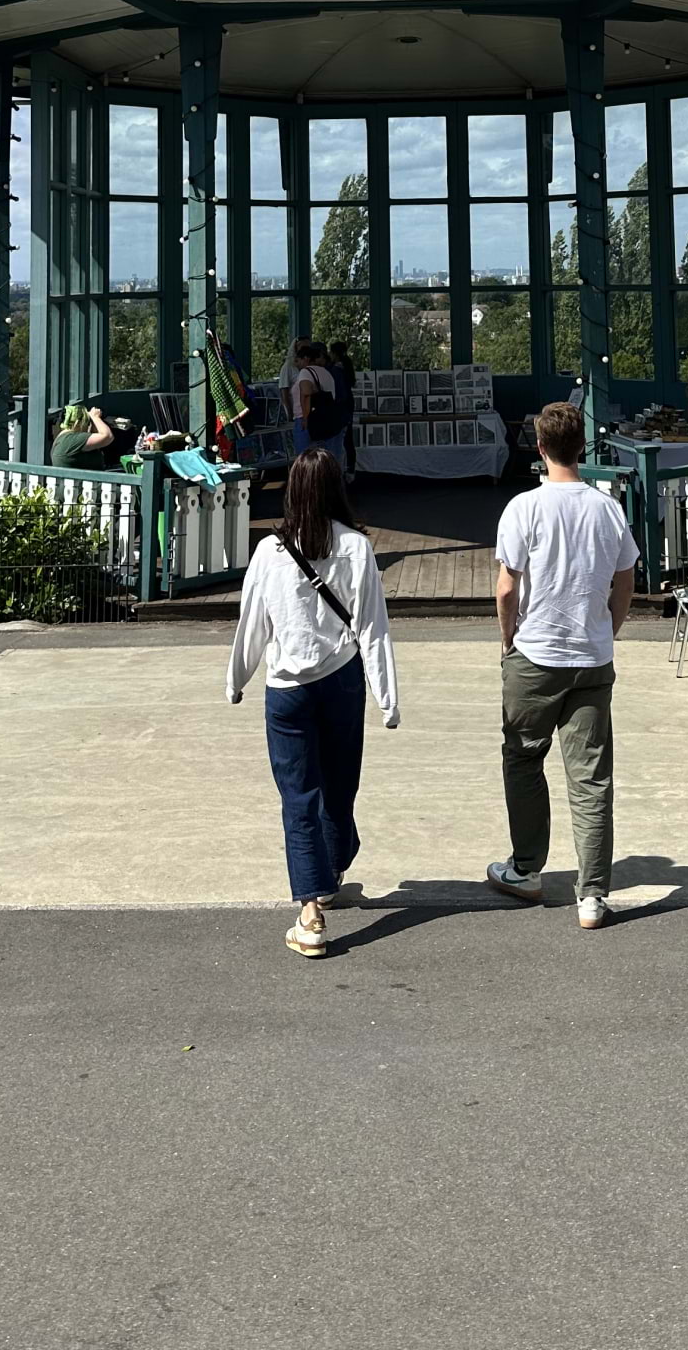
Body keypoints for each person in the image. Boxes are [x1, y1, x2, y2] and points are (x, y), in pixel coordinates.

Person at [226, 447, 398, 959]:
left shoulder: (269, 552)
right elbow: (372, 627)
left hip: (286, 688)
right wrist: (387, 697)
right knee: (342, 780)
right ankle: (334, 864)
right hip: (341, 678)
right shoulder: (357, 547)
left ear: (292, 492)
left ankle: (310, 911)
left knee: (299, 796)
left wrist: (237, 677)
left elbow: (253, 623)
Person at [487, 399, 640, 931]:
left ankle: (527, 867)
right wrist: (609, 628)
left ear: (540, 447)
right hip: (591, 654)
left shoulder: (523, 508)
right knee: (591, 777)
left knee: (524, 760)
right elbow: (625, 581)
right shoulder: (607, 509)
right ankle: (592, 894)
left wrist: (508, 638)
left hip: (535, 652)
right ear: (582, 446)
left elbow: (508, 587)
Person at [287, 340, 341, 465]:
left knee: (304, 460)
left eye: (298, 360)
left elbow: (306, 393)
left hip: (306, 419)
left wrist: (305, 418)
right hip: (327, 419)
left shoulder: (305, 372)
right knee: (324, 460)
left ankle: (307, 483)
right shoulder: (326, 373)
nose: (297, 364)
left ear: (305, 359)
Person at [49, 403, 121, 469]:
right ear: (78, 422)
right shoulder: (71, 439)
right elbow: (108, 437)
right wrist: (95, 417)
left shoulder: (62, 438)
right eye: (87, 421)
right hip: (85, 482)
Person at [325, 339, 359, 476]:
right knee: (348, 438)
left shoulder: (334, 370)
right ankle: (350, 467)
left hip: (340, 405)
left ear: (334, 353)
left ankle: (337, 468)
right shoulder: (347, 366)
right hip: (349, 403)